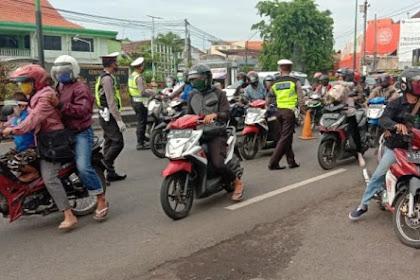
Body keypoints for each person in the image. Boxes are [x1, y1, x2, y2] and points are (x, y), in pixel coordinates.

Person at [3, 64, 78, 230]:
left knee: (49, 177)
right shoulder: (33, 95)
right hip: (40, 140)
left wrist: (13, 129)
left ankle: (69, 214)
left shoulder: (45, 97)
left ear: (36, 81)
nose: (22, 86)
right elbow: (21, 117)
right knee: (6, 163)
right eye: (21, 83)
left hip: (53, 142)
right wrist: (5, 126)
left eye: (25, 82)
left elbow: (33, 120)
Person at [349, 68, 420, 220]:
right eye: (417, 83)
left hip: (417, 148)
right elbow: (384, 119)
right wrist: (395, 126)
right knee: (379, 174)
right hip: (397, 147)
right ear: (405, 85)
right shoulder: (396, 104)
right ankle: (363, 204)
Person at [49, 55, 108, 220]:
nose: (61, 75)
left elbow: (83, 110)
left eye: (65, 71)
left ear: (73, 71)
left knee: (83, 167)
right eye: (58, 72)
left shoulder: (81, 88)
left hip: (81, 132)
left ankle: (100, 198)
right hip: (63, 133)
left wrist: (60, 105)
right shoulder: (58, 87)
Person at [186, 64, 244, 201]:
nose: (196, 82)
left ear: (207, 78)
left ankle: (237, 183)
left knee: (218, 163)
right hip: (197, 135)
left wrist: (216, 115)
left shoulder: (219, 94)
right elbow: (188, 115)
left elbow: (227, 113)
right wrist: (175, 121)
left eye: (199, 79)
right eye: (193, 79)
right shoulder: (192, 95)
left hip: (216, 133)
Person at [267, 59, 305, 170]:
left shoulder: (275, 83)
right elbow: (301, 99)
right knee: (285, 137)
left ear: (280, 69)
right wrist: (304, 112)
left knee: (286, 137)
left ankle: (291, 161)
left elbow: (268, 98)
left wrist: (267, 107)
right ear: (291, 69)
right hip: (289, 112)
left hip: (278, 113)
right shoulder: (294, 81)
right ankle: (273, 162)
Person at [95, 52, 127, 181]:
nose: (117, 64)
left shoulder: (104, 76)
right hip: (108, 115)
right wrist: (119, 120)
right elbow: (111, 101)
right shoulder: (107, 79)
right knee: (118, 142)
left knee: (109, 142)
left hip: (105, 114)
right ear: (112, 64)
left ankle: (110, 173)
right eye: (116, 62)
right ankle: (104, 165)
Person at [325, 72, 366, 167]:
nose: (339, 78)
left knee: (354, 132)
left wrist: (340, 84)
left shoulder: (352, 86)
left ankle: (359, 154)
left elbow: (354, 90)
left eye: (340, 77)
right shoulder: (336, 86)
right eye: (338, 77)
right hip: (338, 111)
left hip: (349, 112)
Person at [1, 92, 38, 182]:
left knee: (13, 163)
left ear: (22, 106)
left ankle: (33, 172)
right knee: (2, 161)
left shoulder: (27, 116)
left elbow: (21, 127)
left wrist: (10, 130)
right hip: (20, 148)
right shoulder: (15, 117)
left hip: (31, 148)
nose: (12, 110)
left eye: (14, 107)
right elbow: (5, 124)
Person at [128, 57, 155, 150]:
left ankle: (142, 139)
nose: (144, 67)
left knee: (141, 121)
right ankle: (140, 143)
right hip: (140, 102)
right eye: (143, 65)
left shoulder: (132, 75)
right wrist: (152, 92)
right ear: (140, 67)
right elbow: (142, 91)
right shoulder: (139, 77)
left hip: (135, 101)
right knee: (142, 122)